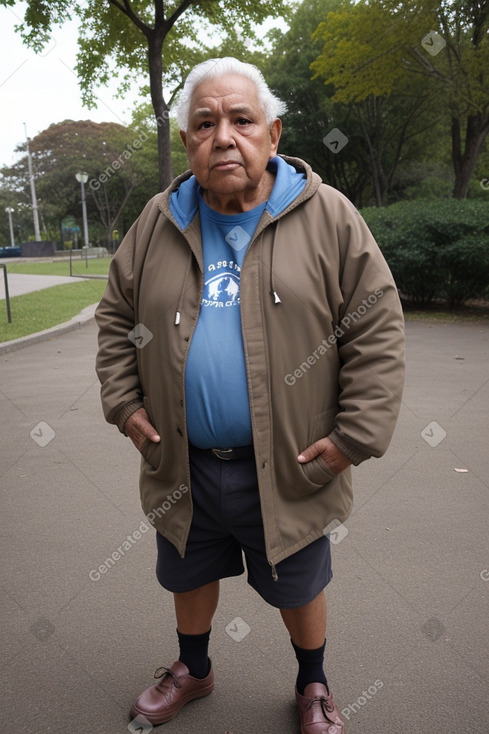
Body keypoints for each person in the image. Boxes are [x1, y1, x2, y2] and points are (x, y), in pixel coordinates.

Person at [95, 56, 405, 734]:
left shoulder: (326, 215)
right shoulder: (158, 220)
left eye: (240, 119)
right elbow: (117, 317)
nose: (223, 136)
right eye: (204, 123)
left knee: (300, 579)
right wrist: (124, 404)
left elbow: (376, 324)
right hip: (182, 459)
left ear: (272, 131)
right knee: (186, 571)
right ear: (187, 144)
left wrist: (354, 437)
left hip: (294, 460)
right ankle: (194, 670)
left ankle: (312, 681)